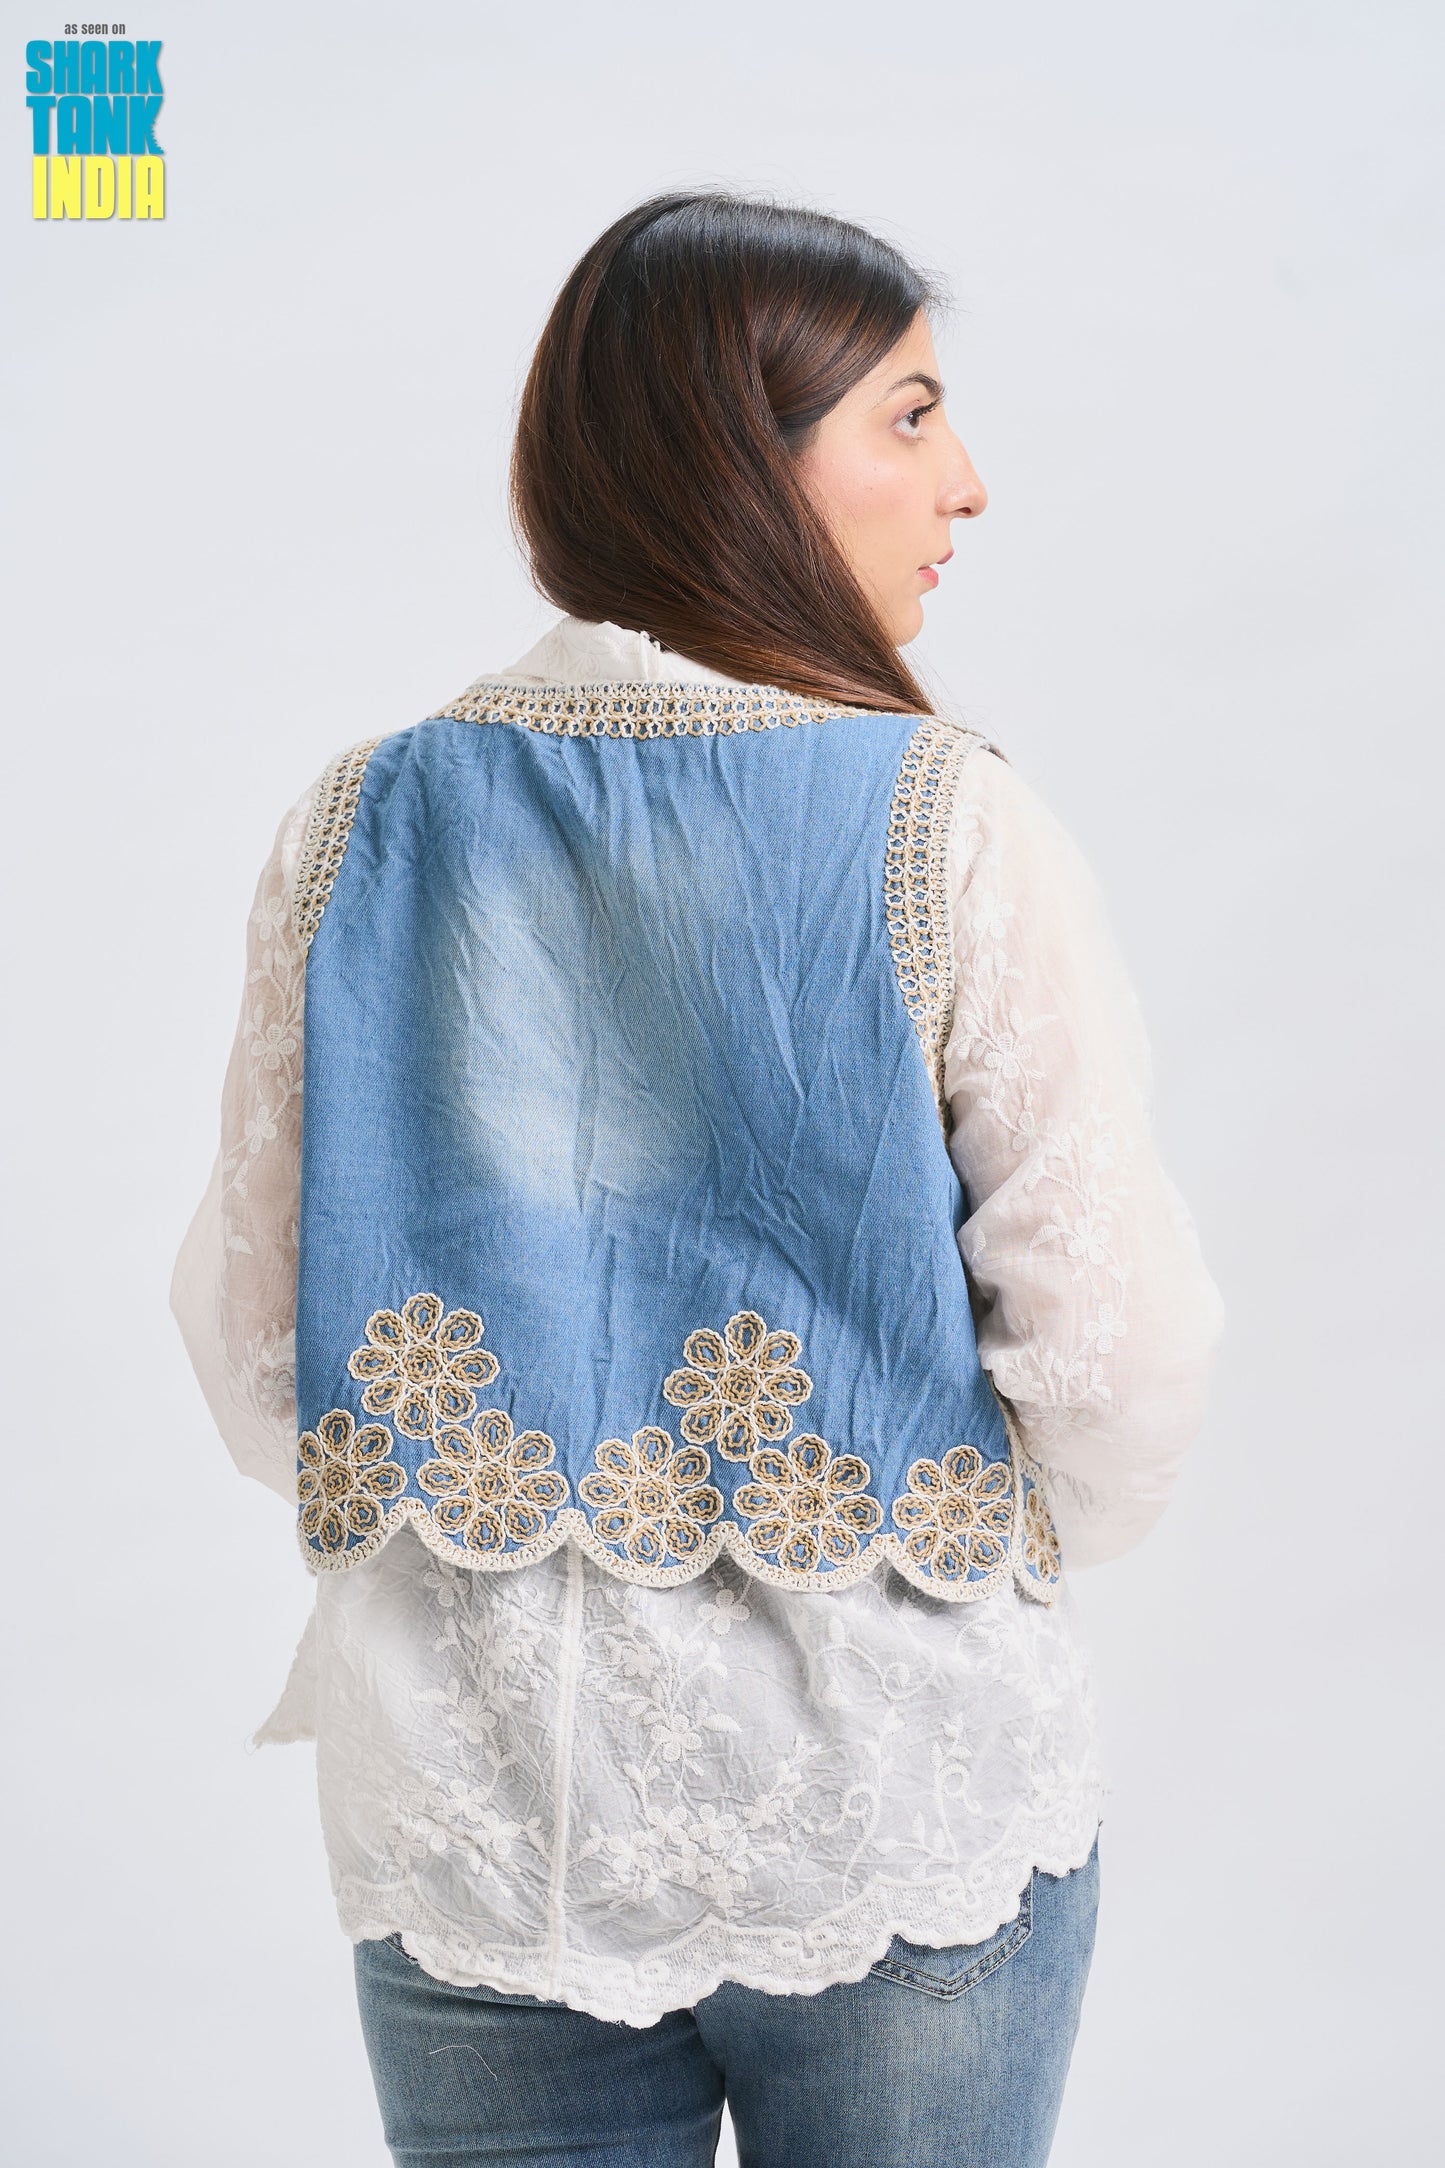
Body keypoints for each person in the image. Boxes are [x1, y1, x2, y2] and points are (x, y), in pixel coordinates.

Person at [171, 191, 1224, 2168]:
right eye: (910, 417)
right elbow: (1122, 1341)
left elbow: (257, 1338)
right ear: (742, 454)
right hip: (894, 1796)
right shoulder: (945, 824)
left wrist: (520, 1504)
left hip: (492, 1811)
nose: (967, 481)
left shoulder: (361, 824)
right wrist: (927, 1535)